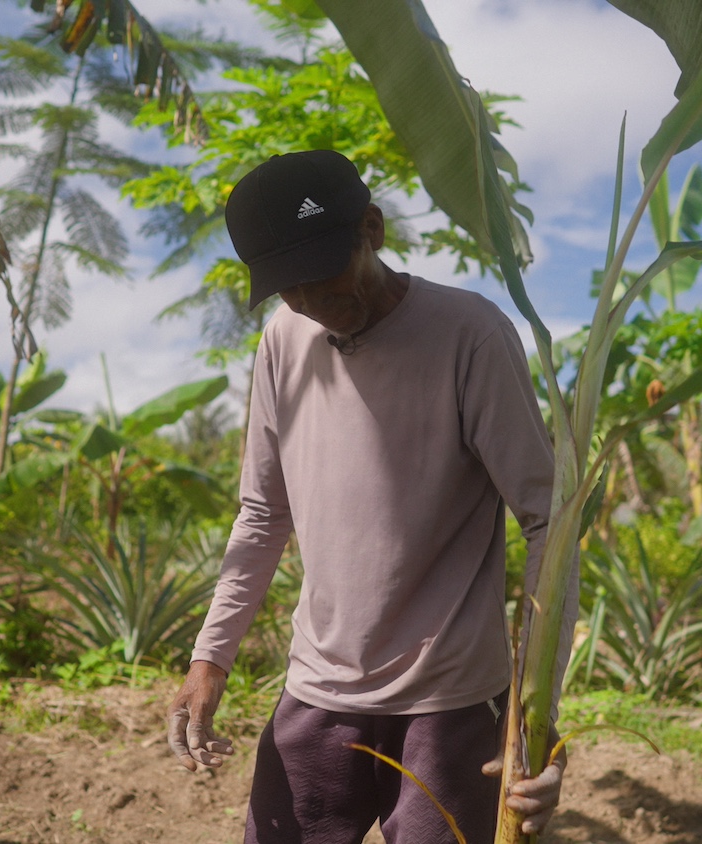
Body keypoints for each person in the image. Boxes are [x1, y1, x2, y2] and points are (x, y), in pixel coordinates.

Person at [166, 149, 575, 844]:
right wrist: (212, 657)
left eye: (324, 276)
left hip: (451, 708)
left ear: (373, 230)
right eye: (289, 287)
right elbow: (263, 515)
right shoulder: (283, 341)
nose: (312, 304)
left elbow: (548, 522)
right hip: (317, 695)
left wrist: (533, 718)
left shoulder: (470, 336)